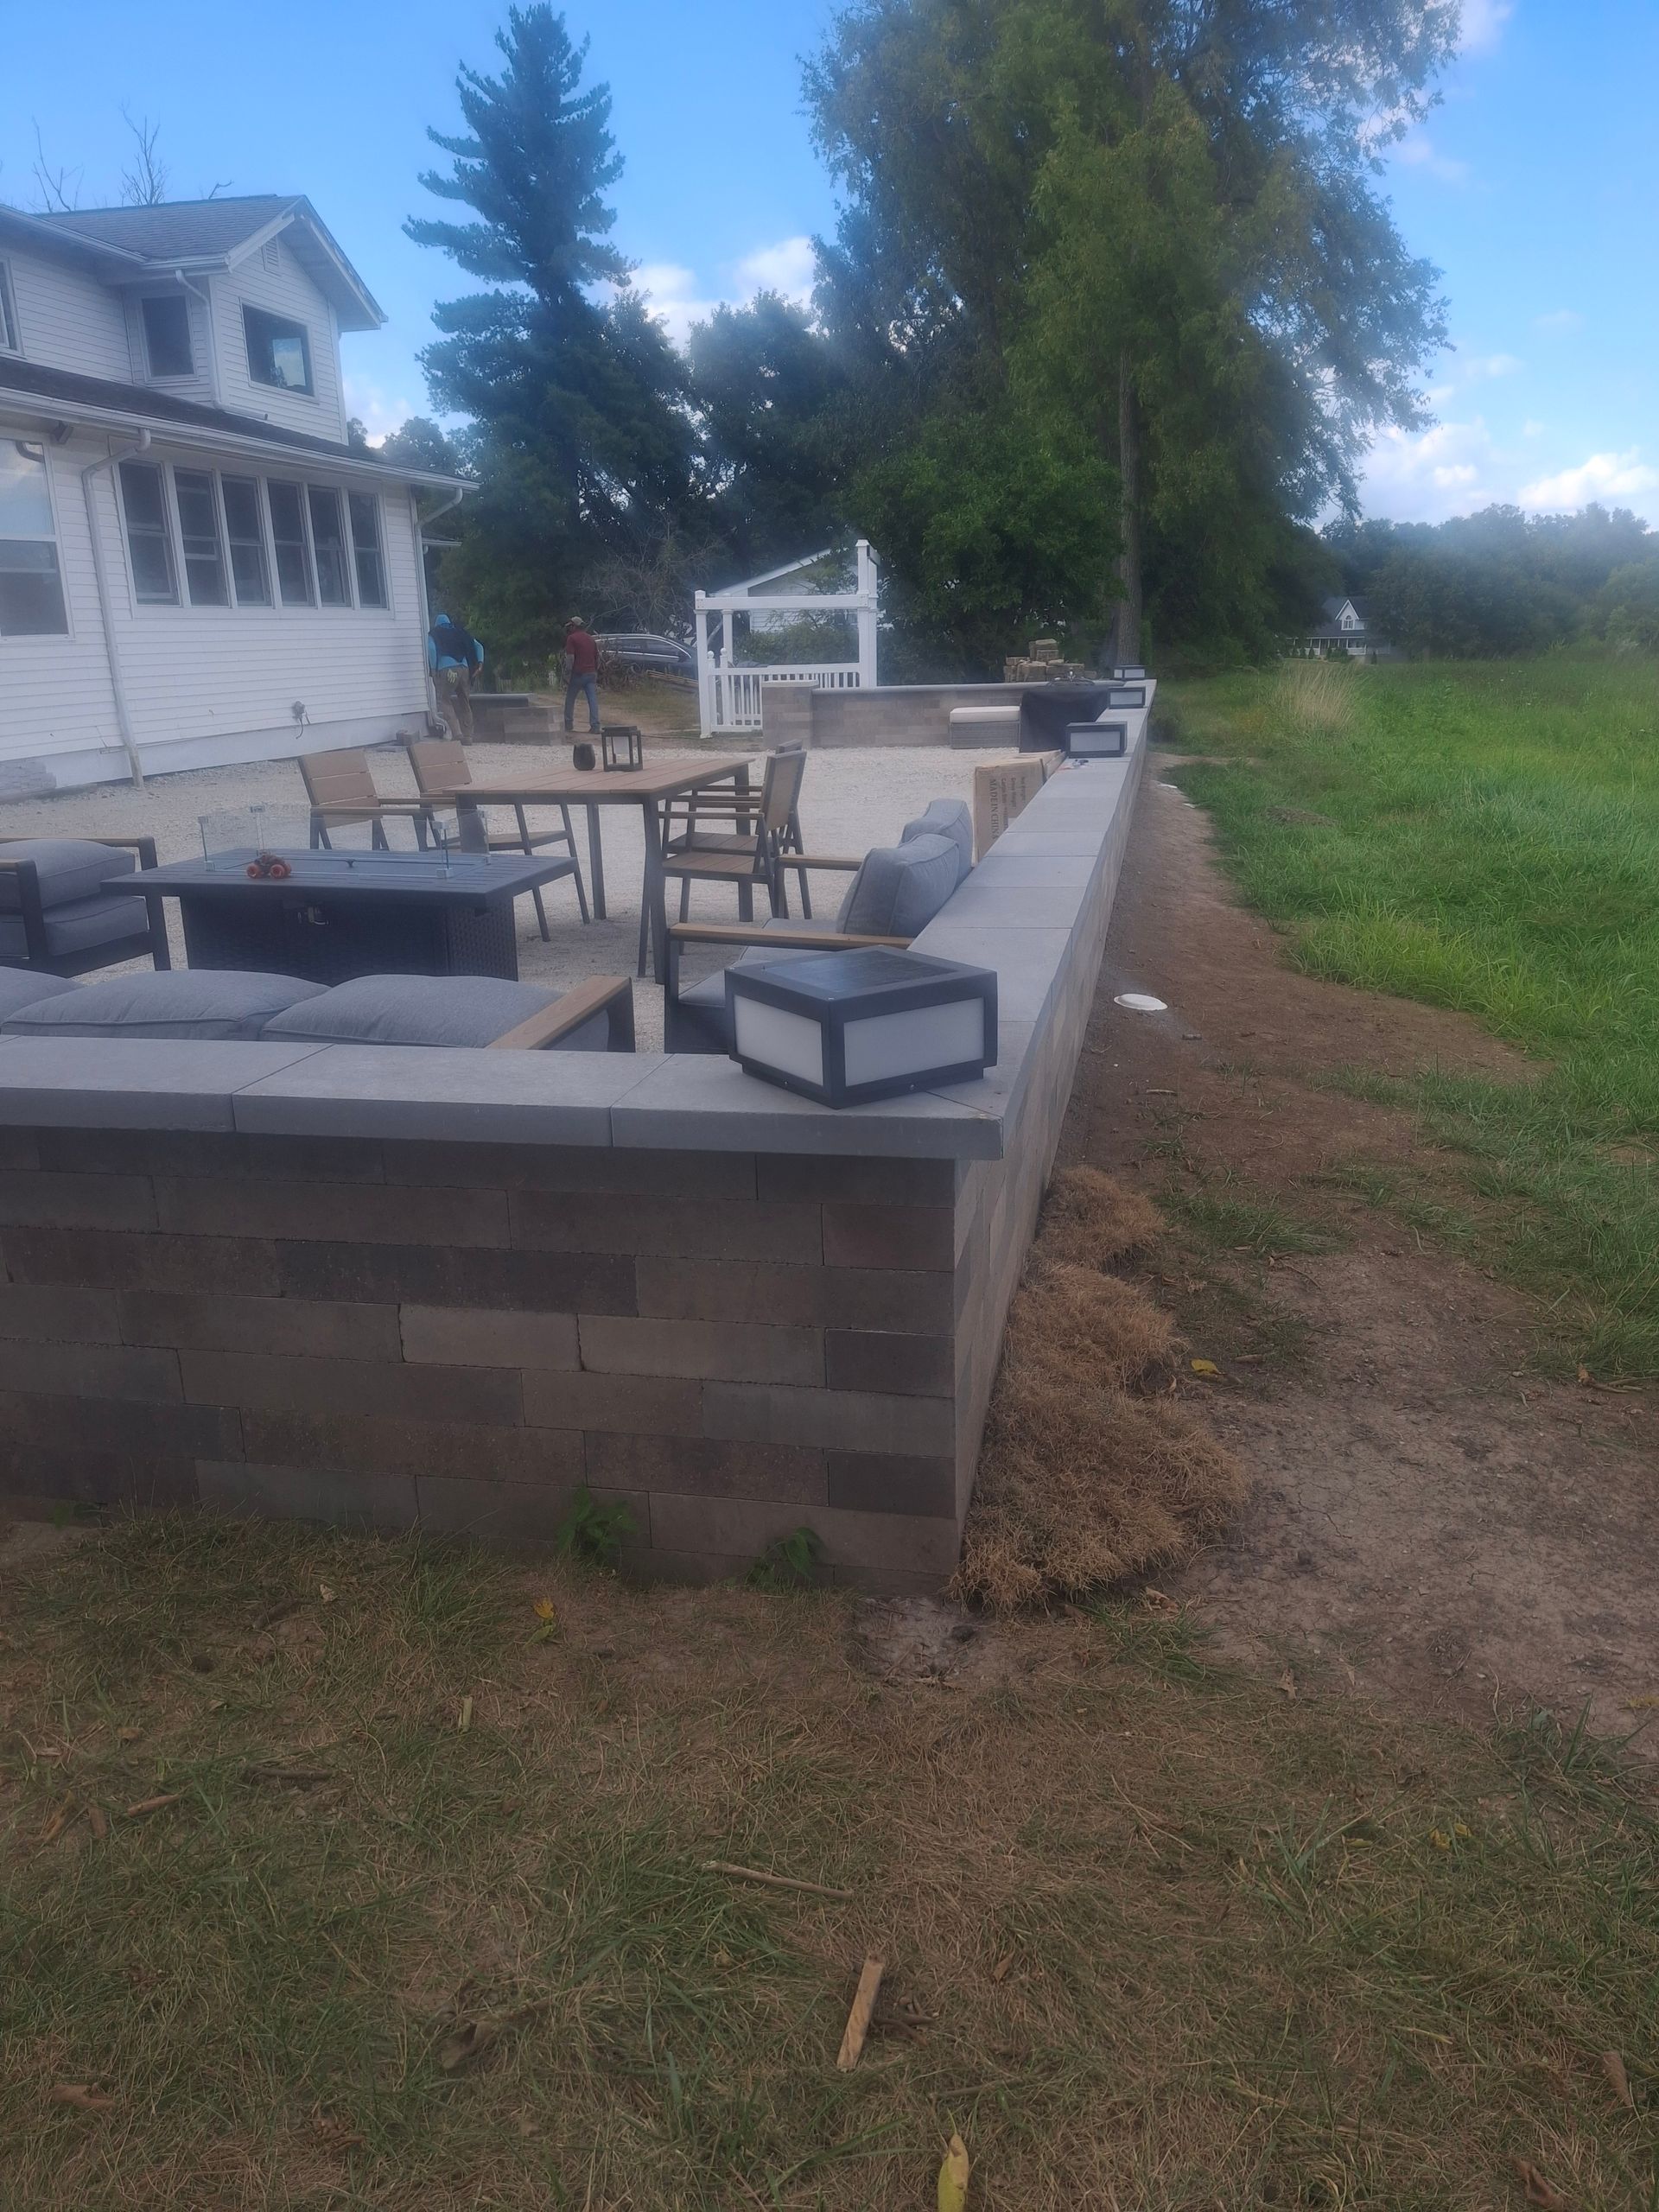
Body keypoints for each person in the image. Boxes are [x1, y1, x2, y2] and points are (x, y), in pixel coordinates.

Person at [428, 612, 484, 742]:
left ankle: (457, 733)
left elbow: (431, 649)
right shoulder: (461, 632)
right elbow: (478, 645)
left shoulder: (434, 633)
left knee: (444, 700)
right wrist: (480, 664)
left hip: (447, 671)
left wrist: (434, 670)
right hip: (464, 669)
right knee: (464, 701)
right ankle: (468, 736)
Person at [563, 615, 601, 735]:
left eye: (570, 626)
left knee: (570, 699)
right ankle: (595, 726)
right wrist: (595, 671)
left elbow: (570, 659)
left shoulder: (572, 638)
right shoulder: (591, 639)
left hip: (578, 674)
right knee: (592, 700)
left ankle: (568, 724)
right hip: (591, 673)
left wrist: (567, 674)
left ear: (574, 626)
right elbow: (597, 658)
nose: (569, 628)